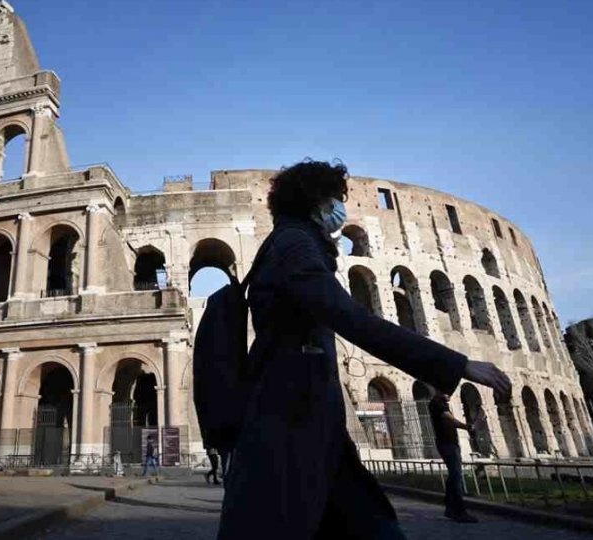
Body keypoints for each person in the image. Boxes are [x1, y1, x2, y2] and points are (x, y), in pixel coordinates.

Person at [217, 160, 512, 540]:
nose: (342, 209)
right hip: (289, 418)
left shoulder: (293, 242)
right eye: (337, 199)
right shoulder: (295, 244)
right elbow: (351, 316)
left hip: (307, 419)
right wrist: (456, 364)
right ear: (317, 202)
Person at [428, 392, 483, 523]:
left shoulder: (441, 404)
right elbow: (449, 419)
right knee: (457, 477)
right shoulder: (437, 403)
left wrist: (467, 426)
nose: (450, 395)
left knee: (454, 476)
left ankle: (450, 508)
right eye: (448, 393)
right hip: (447, 444)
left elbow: (450, 421)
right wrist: (467, 427)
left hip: (450, 443)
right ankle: (459, 511)